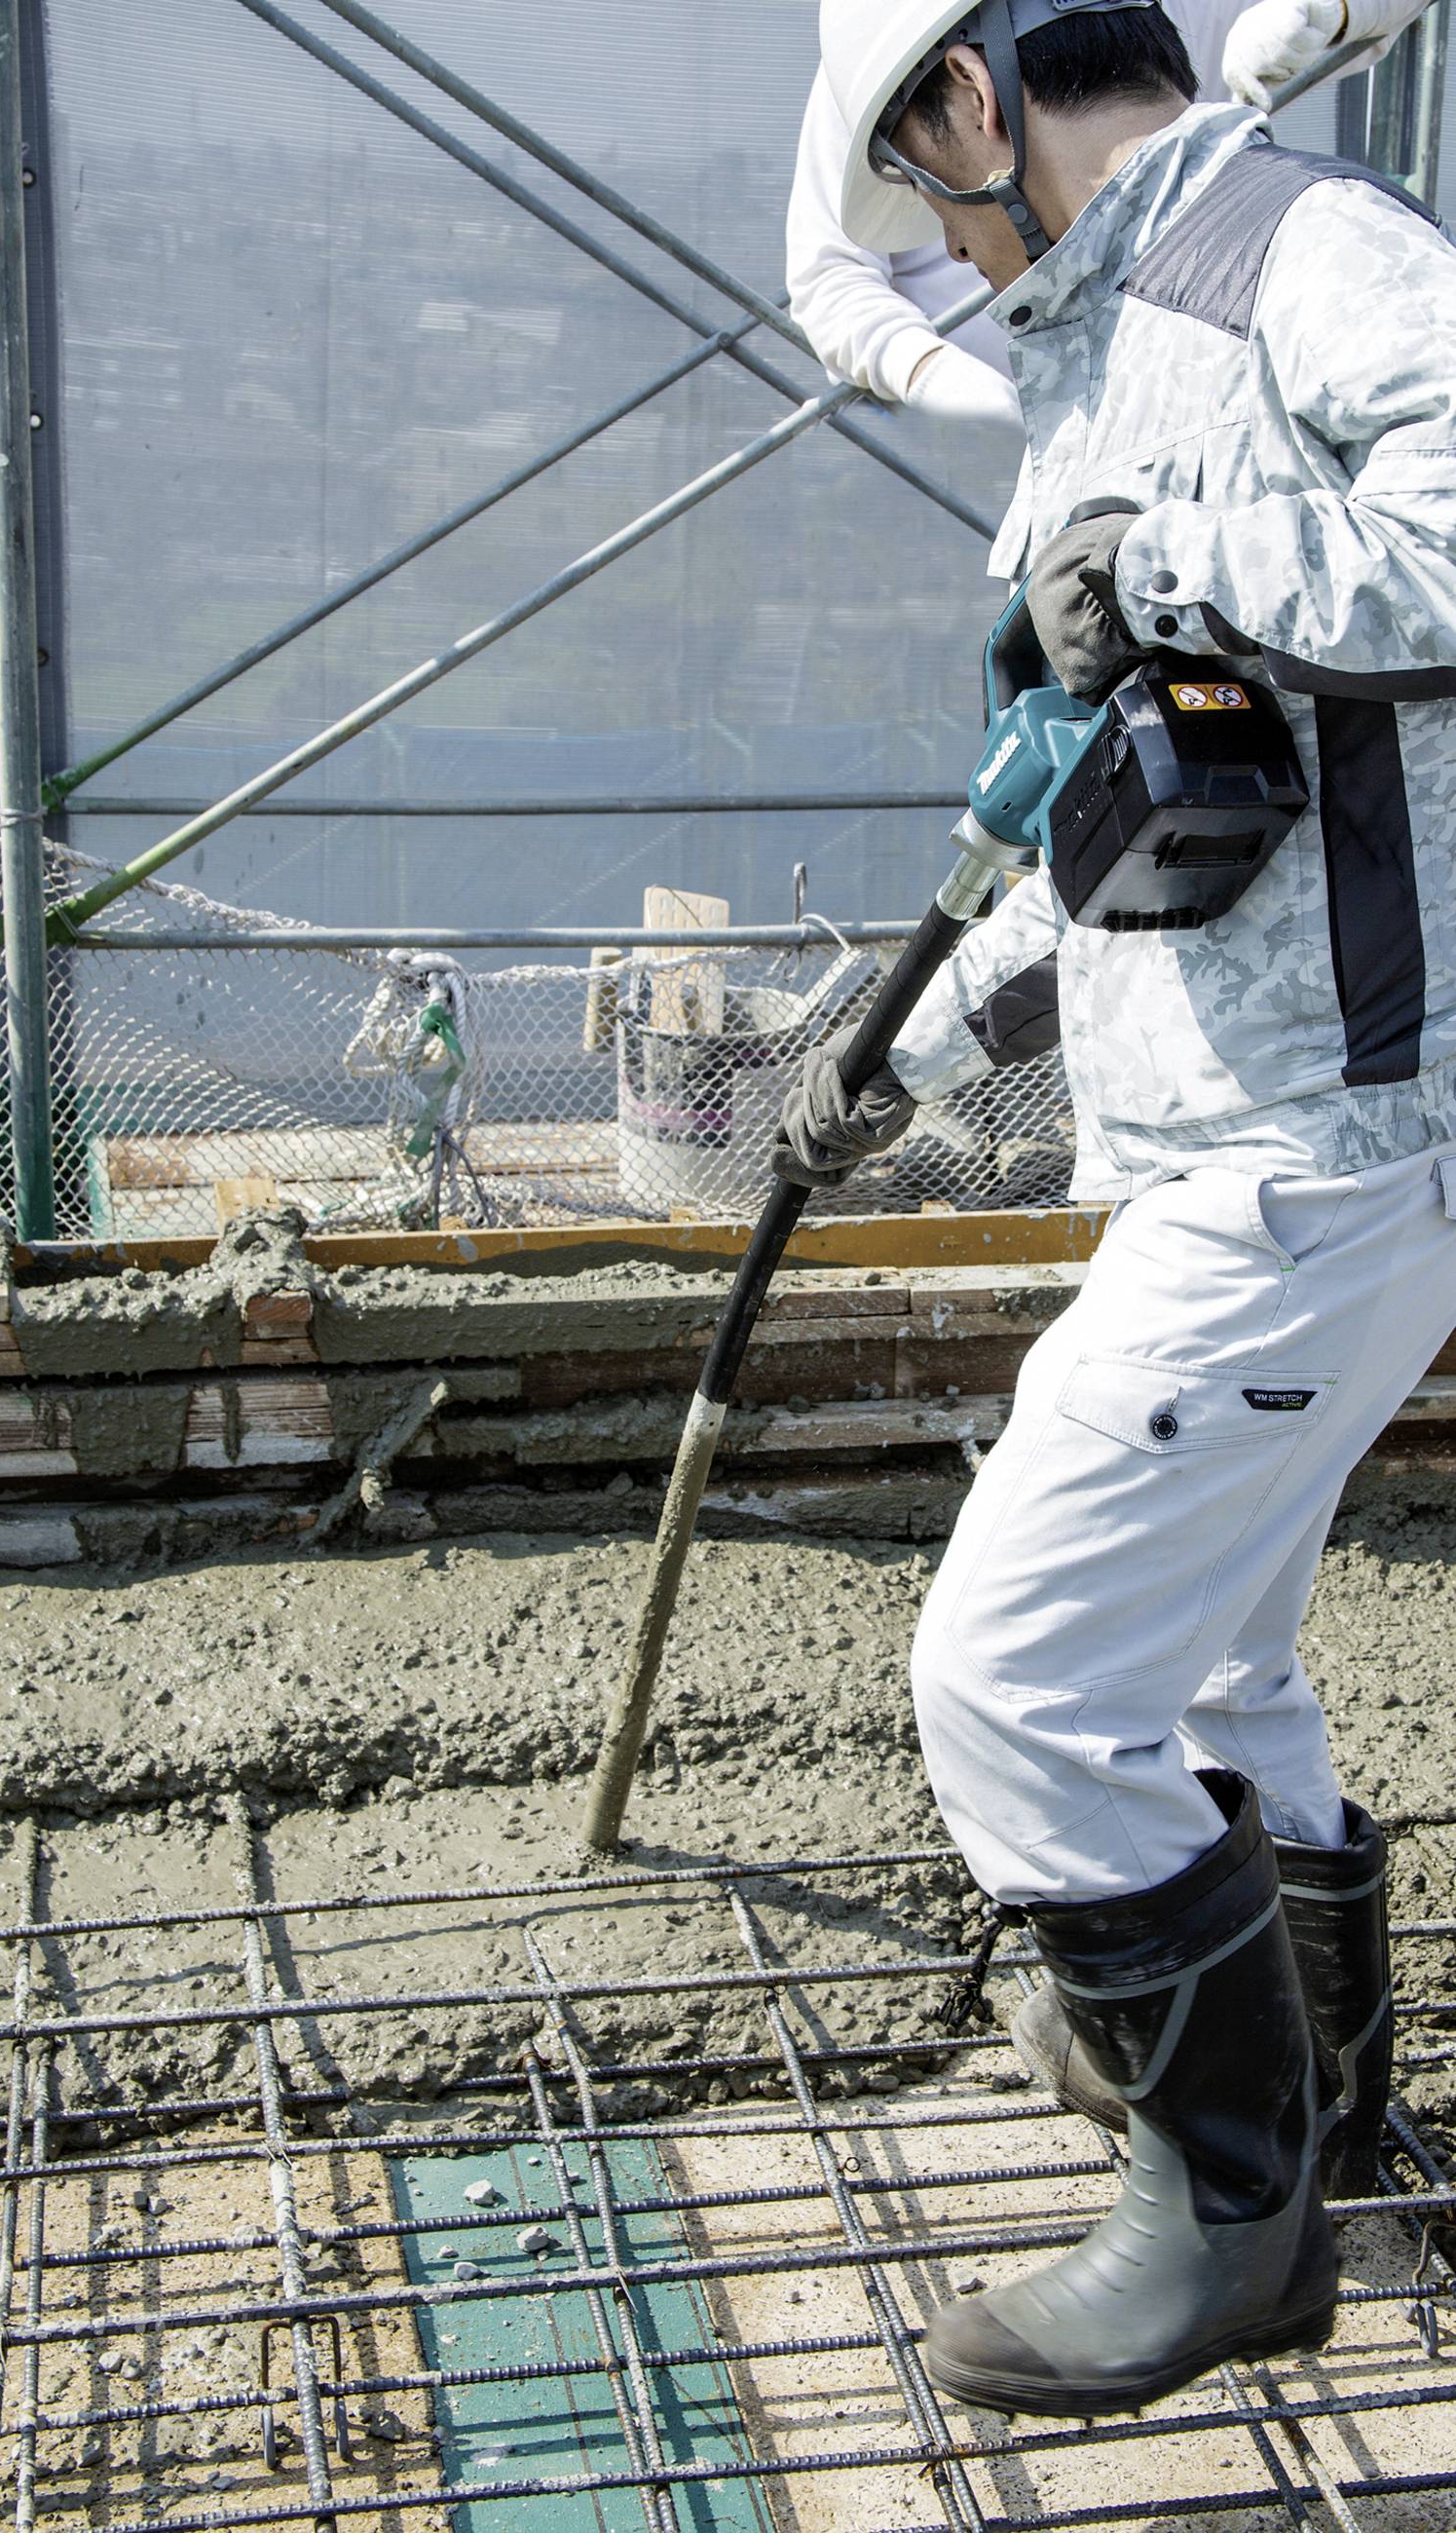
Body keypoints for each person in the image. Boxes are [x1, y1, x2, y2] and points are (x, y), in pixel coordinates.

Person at [772, 0, 1456, 2420]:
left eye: (931, 197)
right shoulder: (1105, 349)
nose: (949, 255)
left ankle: (1224, 2214)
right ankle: (1318, 2116)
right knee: (1207, 1674)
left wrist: (1161, 552)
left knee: (1014, 1682)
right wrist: (911, 1043)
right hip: (1242, 1132)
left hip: (1315, 1148)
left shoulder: (1296, 252)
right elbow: (1131, 797)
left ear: (970, 100)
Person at [787, 0, 1429, 430]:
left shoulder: (1338, 264)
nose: (953, 244)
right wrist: (936, 380)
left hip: (1177, 347)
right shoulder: (891, 39)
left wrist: (1331, 10)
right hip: (1019, 431)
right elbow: (829, 275)